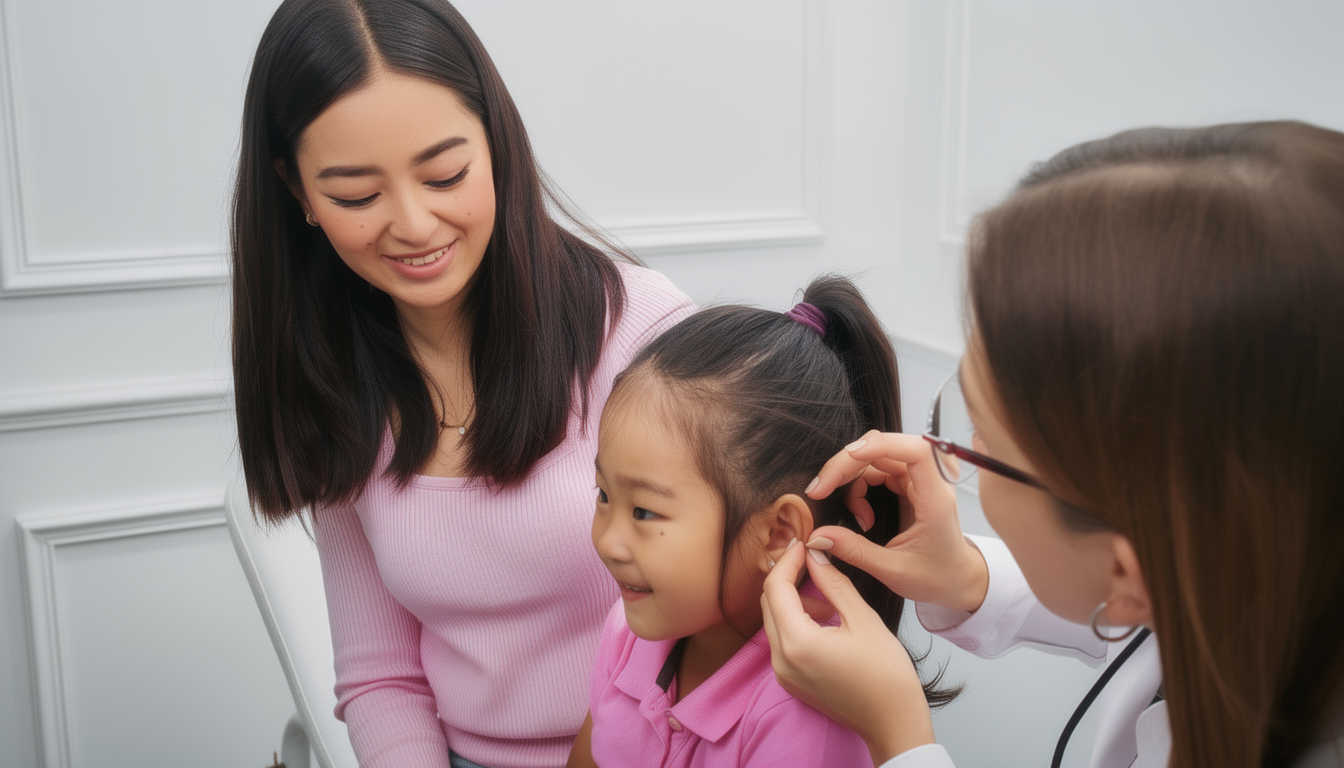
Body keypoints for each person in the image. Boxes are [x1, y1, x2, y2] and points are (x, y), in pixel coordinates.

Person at [760, 121, 1344, 768]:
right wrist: (961, 574)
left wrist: (900, 737)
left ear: (1126, 574)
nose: (944, 449)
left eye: (978, 446)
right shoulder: (1250, 586)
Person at [230, 1, 694, 766]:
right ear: (298, 193)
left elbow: (736, 630)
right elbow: (382, 675)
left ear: (497, 142)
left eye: (445, 174)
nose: (413, 224)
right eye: (355, 195)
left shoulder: (642, 334)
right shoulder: (331, 384)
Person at [566, 276, 958, 768]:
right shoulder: (626, 630)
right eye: (604, 495)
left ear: (777, 534)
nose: (609, 541)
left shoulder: (805, 714)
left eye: (644, 511)